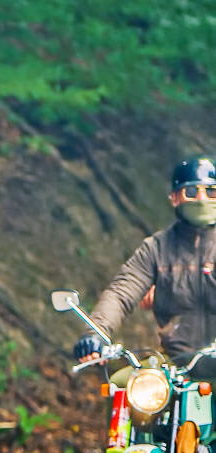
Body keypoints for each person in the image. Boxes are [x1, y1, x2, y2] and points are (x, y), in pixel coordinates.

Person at [75, 155, 216, 376]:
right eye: (191, 192)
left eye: (211, 192)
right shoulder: (157, 248)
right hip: (176, 365)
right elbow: (121, 293)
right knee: (123, 384)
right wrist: (95, 334)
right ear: (174, 198)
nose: (201, 199)